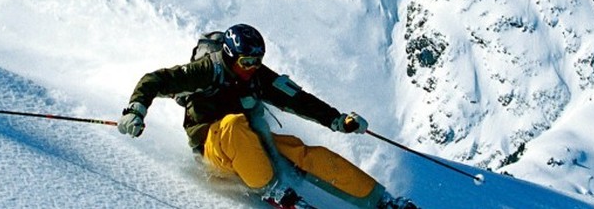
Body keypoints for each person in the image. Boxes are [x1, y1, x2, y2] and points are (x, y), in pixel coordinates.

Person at [117, 23, 418, 209]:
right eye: (247, 61)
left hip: (253, 146)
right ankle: (273, 190)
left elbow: (297, 100)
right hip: (215, 147)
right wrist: (136, 109)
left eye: (258, 61)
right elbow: (155, 80)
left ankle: (379, 200)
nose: (253, 66)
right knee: (234, 124)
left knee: (301, 151)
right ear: (231, 56)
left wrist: (337, 120)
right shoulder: (208, 69)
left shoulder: (258, 75)